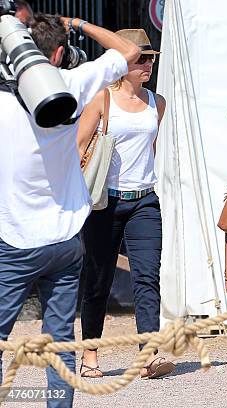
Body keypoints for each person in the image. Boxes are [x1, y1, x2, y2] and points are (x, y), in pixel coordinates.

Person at [0, 13, 140, 408]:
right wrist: (78, 23)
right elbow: (130, 50)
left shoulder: (3, 103)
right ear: (59, 53)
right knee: (60, 339)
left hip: (14, 239)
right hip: (65, 238)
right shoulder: (74, 85)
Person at [75, 29, 173, 380]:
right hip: (105, 201)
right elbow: (78, 146)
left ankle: (149, 355)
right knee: (98, 279)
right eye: (142, 58)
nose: (148, 64)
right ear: (124, 62)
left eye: (151, 59)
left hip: (145, 199)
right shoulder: (102, 98)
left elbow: (151, 151)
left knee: (148, 277)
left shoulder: (157, 103)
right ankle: (89, 353)